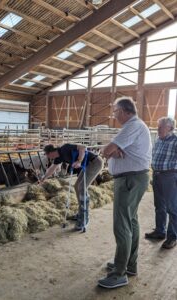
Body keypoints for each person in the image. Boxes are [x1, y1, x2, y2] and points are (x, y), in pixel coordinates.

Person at [98, 97, 151, 289]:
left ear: (124, 111)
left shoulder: (132, 125)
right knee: (131, 221)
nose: (114, 115)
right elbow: (114, 151)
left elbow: (107, 149)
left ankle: (119, 273)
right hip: (134, 177)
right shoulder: (136, 126)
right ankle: (129, 264)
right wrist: (116, 152)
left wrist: (111, 150)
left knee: (122, 225)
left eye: (115, 111)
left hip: (129, 179)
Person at [40, 143, 103, 230]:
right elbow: (52, 168)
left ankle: (85, 217)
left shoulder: (65, 148)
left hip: (95, 162)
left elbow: (83, 147)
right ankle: (80, 212)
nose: (48, 157)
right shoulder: (58, 157)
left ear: (50, 152)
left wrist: (79, 161)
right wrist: (44, 178)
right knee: (77, 186)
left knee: (81, 187)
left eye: (47, 154)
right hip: (87, 165)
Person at [145, 117, 177, 249]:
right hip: (157, 175)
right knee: (159, 205)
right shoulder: (158, 140)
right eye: (158, 127)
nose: (157, 130)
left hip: (170, 176)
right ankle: (160, 231)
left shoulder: (175, 141)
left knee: (172, 208)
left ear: (169, 127)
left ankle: (172, 236)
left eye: (160, 127)